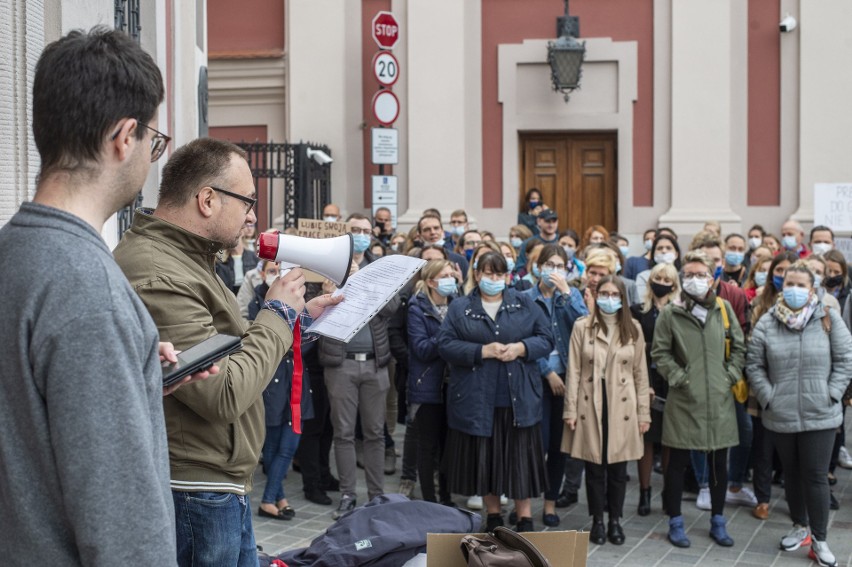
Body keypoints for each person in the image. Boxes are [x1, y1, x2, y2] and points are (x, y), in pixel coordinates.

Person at [0, 27, 215, 564]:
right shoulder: (87, 289)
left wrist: (134, 379)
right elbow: (124, 529)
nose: (151, 155)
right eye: (153, 141)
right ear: (124, 136)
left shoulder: (14, 253)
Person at [114, 137, 341, 566]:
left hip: (215, 485)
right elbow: (222, 392)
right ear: (207, 200)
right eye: (247, 202)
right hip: (194, 490)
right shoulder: (158, 270)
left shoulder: (188, 260)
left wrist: (298, 316)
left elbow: (232, 349)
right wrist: (276, 311)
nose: (253, 217)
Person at [746, 261, 852, 567]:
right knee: (791, 473)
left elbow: (846, 359)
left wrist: (831, 393)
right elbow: (754, 364)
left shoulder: (828, 317)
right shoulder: (768, 322)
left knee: (815, 476)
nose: (793, 289)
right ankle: (799, 526)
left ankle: (819, 539)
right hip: (781, 414)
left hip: (821, 412)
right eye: (788, 283)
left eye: (800, 285)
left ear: (812, 288)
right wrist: (769, 397)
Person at [438, 252, 554, 532]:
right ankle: (493, 515)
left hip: (518, 398)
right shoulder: (461, 307)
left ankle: (524, 516)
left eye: (500, 274)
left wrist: (521, 348)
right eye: (489, 274)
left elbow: (546, 338)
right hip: (477, 398)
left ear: (507, 276)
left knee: (519, 459)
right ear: (477, 275)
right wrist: (481, 351)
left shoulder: (525, 302)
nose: (494, 280)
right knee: (485, 458)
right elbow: (445, 344)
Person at [651, 250, 745, 549]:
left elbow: (740, 348)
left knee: (719, 463)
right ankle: (676, 521)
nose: (694, 279)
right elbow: (660, 353)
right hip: (684, 399)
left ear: (711, 277)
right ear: (682, 278)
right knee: (677, 463)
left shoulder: (724, 308)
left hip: (719, 399)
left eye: (700, 274)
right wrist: (680, 378)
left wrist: (728, 376)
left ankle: (718, 520)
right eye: (689, 274)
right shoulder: (671, 313)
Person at [319, 213, 402, 519]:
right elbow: (315, 309)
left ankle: (377, 497)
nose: (361, 234)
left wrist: (363, 282)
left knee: (375, 433)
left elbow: (393, 307)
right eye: (355, 230)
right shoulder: (328, 264)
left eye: (366, 231)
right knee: (342, 433)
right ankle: (347, 495)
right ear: (346, 232)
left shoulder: (380, 268)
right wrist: (337, 283)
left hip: (375, 364)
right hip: (340, 363)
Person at [563, 275, 649, 545]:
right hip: (591, 401)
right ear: (596, 295)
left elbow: (640, 374)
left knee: (618, 468)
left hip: (622, 404)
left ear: (623, 299)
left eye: (615, 294)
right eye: (604, 293)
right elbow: (573, 370)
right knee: (594, 466)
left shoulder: (633, 328)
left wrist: (644, 413)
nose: (609, 299)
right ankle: (597, 520)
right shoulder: (582, 327)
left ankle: (615, 520)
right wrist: (570, 409)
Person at [523, 244, 589, 528]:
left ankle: (549, 503)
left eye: (560, 266)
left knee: (558, 446)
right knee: (533, 445)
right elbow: (523, 340)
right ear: (538, 267)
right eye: (549, 265)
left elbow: (586, 326)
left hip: (568, 380)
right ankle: (523, 504)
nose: (554, 271)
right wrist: (547, 372)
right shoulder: (525, 297)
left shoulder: (571, 296)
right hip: (535, 379)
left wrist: (565, 293)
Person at [248, 261, 313, 522]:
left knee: (288, 445)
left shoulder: (300, 301)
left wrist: (287, 342)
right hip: (273, 380)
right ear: (263, 274)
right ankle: (276, 498)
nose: (277, 274)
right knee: (274, 446)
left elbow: (307, 340)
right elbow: (257, 336)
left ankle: (269, 498)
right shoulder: (257, 301)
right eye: (272, 269)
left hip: (295, 379)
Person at [630, 262, 681, 517]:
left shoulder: (680, 312)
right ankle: (645, 491)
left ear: (674, 284)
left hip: (671, 380)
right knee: (647, 438)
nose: (661, 281)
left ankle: (668, 493)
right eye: (657, 277)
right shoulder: (638, 311)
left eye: (666, 278)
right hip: (645, 378)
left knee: (670, 438)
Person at [407, 259, 456, 504]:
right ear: (430, 281)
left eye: (451, 275)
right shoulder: (418, 308)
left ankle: (445, 497)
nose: (450, 280)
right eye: (444, 275)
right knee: (428, 448)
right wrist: (447, 335)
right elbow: (422, 348)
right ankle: (429, 500)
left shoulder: (457, 306)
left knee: (448, 447)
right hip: (427, 387)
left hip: (453, 386)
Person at [634, 234, 682, 300]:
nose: (664, 251)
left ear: (676, 254)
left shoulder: (682, 277)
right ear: (653, 254)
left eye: (668, 248)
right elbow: (641, 300)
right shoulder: (643, 276)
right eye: (660, 248)